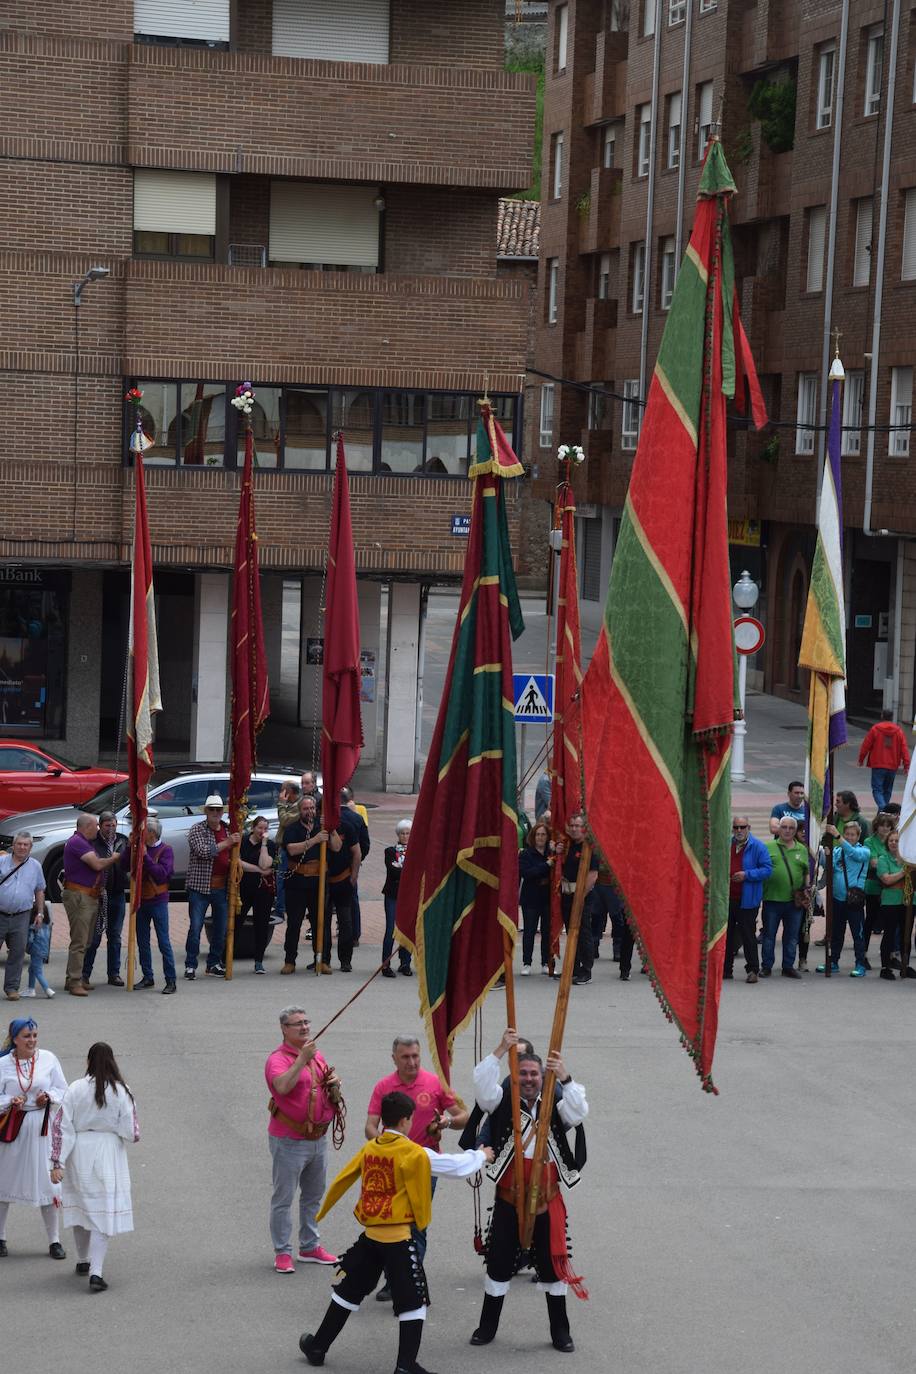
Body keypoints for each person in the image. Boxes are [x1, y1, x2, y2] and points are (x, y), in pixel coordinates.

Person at [299, 1090, 491, 1374]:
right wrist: (481, 1155)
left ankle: (318, 1345)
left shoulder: (371, 1147)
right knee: (414, 1301)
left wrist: (323, 1210)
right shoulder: (413, 1153)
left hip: (371, 1236)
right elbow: (455, 1166)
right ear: (404, 1121)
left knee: (349, 1290)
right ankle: (405, 1365)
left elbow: (344, 1178)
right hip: (399, 1238)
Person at [463, 1027, 588, 1354]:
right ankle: (487, 1326)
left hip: (546, 1203)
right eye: (523, 1074)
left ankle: (560, 1331)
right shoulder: (503, 1100)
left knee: (552, 1268)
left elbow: (579, 1112)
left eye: (534, 1073)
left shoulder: (555, 1102)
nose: (529, 1079)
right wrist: (500, 1050)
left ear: (542, 1076)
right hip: (509, 1201)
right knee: (498, 1264)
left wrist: (567, 1077)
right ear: (514, 1076)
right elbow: (481, 1090)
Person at [364, 1034, 469, 1295]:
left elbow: (463, 1117)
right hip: (391, 1166)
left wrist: (446, 1122)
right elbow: (370, 1126)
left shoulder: (435, 1083)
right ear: (394, 1059)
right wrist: (387, 1145)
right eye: (405, 1057)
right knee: (391, 1222)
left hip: (425, 1164)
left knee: (416, 1225)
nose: (411, 1062)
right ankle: (394, 1279)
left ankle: (408, 1280)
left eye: (415, 1056)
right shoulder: (384, 1086)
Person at [51, 1041, 139, 1292]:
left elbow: (62, 1127)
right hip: (108, 1152)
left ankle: (82, 1259)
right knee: (103, 1211)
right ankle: (96, 1272)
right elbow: (132, 1132)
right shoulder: (122, 1091)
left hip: (79, 1151)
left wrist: (56, 1161)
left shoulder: (76, 1088)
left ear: (88, 1061)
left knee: (81, 1206)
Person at [265, 1006, 341, 1274]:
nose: (305, 1027)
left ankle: (309, 1246)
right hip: (289, 1140)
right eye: (297, 1024)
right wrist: (300, 1060)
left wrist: (334, 1084)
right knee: (283, 1198)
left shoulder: (315, 1054)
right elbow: (282, 1087)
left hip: (317, 1139)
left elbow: (322, 1084)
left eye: (306, 1022)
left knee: (313, 1195)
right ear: (284, 1029)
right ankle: (282, 1251)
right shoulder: (278, 1059)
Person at [0, 1017, 68, 1259]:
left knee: (49, 1183)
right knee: (3, 1182)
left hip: (42, 1127)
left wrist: (48, 1095)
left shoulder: (48, 1059)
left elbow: (63, 1088)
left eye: (35, 1035)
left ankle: (54, 1241)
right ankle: (0, 1237)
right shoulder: (3, 1064)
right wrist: (10, 1101)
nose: (32, 1041)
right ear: (15, 1039)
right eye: (27, 1036)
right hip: (12, 1128)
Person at [61, 815, 121, 997]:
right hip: (80, 896)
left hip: (89, 896)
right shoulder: (77, 842)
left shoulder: (83, 842)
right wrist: (116, 856)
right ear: (87, 826)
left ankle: (73, 978)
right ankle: (74, 981)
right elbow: (97, 864)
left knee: (86, 940)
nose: (97, 829)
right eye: (96, 826)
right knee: (80, 941)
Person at [184, 795, 241, 980]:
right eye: (212, 809)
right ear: (206, 811)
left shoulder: (227, 829)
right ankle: (190, 965)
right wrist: (228, 842)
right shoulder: (197, 829)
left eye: (219, 809)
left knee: (221, 928)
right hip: (199, 887)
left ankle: (214, 963)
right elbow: (203, 851)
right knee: (195, 927)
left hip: (221, 885)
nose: (216, 813)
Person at [281, 794, 329, 974]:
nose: (310, 812)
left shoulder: (321, 827)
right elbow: (292, 849)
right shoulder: (292, 828)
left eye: (312, 808)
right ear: (300, 811)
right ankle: (290, 961)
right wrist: (314, 840)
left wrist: (330, 831)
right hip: (297, 881)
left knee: (320, 922)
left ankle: (321, 959)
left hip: (318, 881)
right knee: (294, 923)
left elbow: (337, 847)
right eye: (306, 808)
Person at [82, 811, 129, 989]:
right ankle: (85, 974)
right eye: (107, 825)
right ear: (100, 825)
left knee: (115, 936)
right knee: (94, 938)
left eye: (113, 825)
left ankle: (114, 973)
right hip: (97, 894)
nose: (111, 829)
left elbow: (128, 863)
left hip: (117, 893)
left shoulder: (123, 841)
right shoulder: (92, 842)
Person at [819, 819, 871, 976]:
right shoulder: (838, 851)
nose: (849, 837)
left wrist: (838, 836)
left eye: (852, 835)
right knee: (836, 933)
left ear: (858, 836)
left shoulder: (864, 851)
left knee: (858, 934)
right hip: (837, 899)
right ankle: (833, 961)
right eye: (847, 834)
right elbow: (828, 867)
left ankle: (860, 964)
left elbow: (852, 853)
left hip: (854, 899)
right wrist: (824, 855)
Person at [0, 830, 47, 1001]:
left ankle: (12, 988)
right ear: (13, 845)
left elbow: (39, 890)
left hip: (22, 915)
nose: (22, 847)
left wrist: (40, 912)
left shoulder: (35, 866)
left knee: (17, 953)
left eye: (25, 844)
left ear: (30, 847)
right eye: (19, 844)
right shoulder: (1, 862)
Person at [131, 819, 177, 994]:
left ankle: (171, 980)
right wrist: (131, 848)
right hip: (142, 901)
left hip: (158, 900)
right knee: (142, 942)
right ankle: (147, 976)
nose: (140, 835)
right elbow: (124, 866)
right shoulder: (139, 848)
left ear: (151, 833)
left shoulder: (166, 850)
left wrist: (145, 857)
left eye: (143, 832)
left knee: (163, 942)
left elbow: (161, 876)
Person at [761, 817, 809, 978]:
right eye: (784, 827)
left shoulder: (802, 849)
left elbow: (805, 871)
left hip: (793, 902)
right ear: (779, 829)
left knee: (792, 936)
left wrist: (806, 889)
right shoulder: (767, 847)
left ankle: (788, 966)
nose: (787, 830)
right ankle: (766, 966)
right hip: (772, 899)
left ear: (795, 831)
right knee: (769, 935)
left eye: (791, 828)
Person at [725, 817, 771, 983]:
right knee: (727, 935)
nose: (739, 830)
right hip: (727, 899)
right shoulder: (726, 845)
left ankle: (752, 970)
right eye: (736, 827)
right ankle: (725, 969)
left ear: (748, 828)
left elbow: (767, 870)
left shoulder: (758, 846)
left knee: (748, 936)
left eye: (742, 827)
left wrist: (747, 875)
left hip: (748, 900)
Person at [554, 813, 598, 986]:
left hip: (581, 897)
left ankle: (586, 971)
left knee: (583, 933)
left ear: (584, 828)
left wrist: (580, 897)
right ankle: (574, 969)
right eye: (571, 825)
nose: (573, 828)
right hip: (566, 895)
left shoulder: (589, 847)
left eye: (577, 825)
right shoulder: (568, 846)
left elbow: (592, 875)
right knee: (571, 932)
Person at [322, 808, 361, 972]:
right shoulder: (318, 829)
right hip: (324, 882)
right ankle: (324, 959)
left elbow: (356, 852)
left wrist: (354, 875)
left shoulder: (348, 827)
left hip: (343, 880)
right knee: (323, 922)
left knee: (345, 922)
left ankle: (345, 960)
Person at [239, 815, 277, 974]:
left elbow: (265, 863)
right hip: (245, 888)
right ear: (253, 828)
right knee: (236, 920)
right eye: (259, 828)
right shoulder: (243, 842)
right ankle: (224, 956)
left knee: (261, 925)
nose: (262, 831)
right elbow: (238, 862)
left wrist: (264, 844)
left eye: (265, 829)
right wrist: (258, 870)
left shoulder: (270, 845)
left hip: (263, 891)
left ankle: (258, 961)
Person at [858, 710, 911, 810]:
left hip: (878, 764)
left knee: (877, 790)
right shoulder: (899, 731)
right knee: (887, 790)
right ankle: (884, 814)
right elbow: (904, 749)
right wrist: (906, 765)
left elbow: (866, 745)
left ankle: (883, 810)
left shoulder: (875, 729)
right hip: (892, 765)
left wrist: (861, 759)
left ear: (882, 716)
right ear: (892, 717)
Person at [519, 822, 553, 975]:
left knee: (547, 932)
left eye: (543, 834)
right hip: (530, 898)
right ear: (533, 836)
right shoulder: (526, 854)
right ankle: (527, 963)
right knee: (529, 931)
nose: (540, 837)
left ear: (547, 837)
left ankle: (546, 962)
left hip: (547, 898)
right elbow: (527, 873)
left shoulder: (551, 853)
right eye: (538, 834)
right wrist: (546, 866)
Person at [863, 812, 895, 968]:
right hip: (874, 887)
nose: (885, 828)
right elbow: (874, 863)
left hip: (891, 889)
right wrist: (890, 865)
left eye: (888, 826)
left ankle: (890, 955)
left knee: (891, 924)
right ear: (876, 826)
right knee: (869, 921)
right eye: (882, 825)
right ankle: (862, 954)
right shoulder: (869, 842)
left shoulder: (894, 841)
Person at [382, 820, 413, 977]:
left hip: (409, 895)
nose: (405, 836)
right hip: (392, 895)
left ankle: (405, 962)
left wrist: (401, 869)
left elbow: (417, 872)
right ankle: (385, 964)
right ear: (398, 835)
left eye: (408, 833)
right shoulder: (389, 851)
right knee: (390, 929)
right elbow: (392, 871)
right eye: (402, 833)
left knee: (407, 929)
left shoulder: (416, 852)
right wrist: (407, 871)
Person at [877, 830, 909, 980]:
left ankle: (905, 965)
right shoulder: (883, 859)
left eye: (897, 841)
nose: (894, 843)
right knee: (889, 934)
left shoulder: (908, 859)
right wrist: (903, 872)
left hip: (907, 900)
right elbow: (887, 880)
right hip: (890, 901)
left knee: (905, 934)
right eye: (891, 840)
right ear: (887, 843)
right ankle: (885, 967)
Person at [340, 786, 369, 948]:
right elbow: (365, 844)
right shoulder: (357, 818)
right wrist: (357, 862)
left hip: (334, 868)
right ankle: (354, 935)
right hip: (352, 867)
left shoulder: (337, 818)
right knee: (352, 901)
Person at [274, 779, 302, 926]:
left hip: (287, 849)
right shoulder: (291, 805)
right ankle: (280, 906)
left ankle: (280, 909)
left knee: (281, 879)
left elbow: (284, 820)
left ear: (289, 792)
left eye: (283, 790)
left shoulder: (298, 806)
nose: (280, 793)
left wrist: (281, 804)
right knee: (279, 878)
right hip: (282, 847)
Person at [22, 908, 54, 999]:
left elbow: (30, 939)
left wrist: (27, 947)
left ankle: (47, 989)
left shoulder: (33, 926)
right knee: (32, 969)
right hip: (43, 950)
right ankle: (30, 989)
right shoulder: (47, 925)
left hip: (35, 950)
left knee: (37, 971)